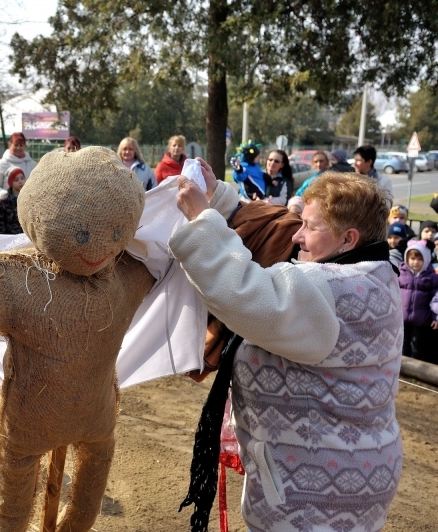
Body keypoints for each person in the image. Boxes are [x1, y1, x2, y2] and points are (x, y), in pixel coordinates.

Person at [173, 167, 402, 532]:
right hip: (352, 475)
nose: (297, 235)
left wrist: (202, 222)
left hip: (315, 496)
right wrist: (221, 200)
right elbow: (276, 229)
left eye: (309, 226)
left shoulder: (333, 291)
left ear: (348, 239)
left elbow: (242, 293)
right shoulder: (374, 276)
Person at [399, 240, 438, 360]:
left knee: (417, 345)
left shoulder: (431, 276)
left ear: (426, 259)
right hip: (402, 317)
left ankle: (415, 368)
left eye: (420, 259)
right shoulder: (401, 273)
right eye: (412, 258)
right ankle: (402, 367)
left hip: (421, 319)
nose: (415, 262)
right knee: (402, 343)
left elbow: (436, 298)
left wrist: (435, 317)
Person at [0, 132, 36, 201]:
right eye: (16, 145)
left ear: (25, 146)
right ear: (10, 145)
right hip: (7, 205)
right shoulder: (2, 164)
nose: (18, 148)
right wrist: (7, 196)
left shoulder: (32, 164)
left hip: (28, 204)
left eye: (21, 145)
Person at [0, 166, 25, 235]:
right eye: (16, 180)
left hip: (26, 238)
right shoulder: (2, 203)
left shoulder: (29, 199)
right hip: (9, 238)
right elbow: (0, 226)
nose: (20, 181)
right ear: (11, 183)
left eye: (22, 178)